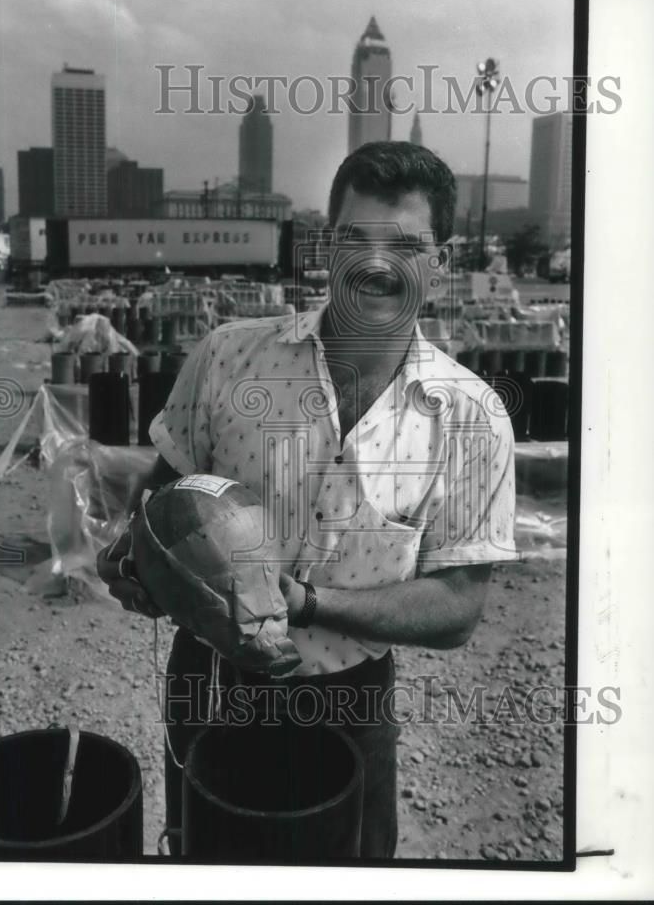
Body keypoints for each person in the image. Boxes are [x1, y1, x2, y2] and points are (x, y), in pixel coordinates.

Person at [98, 141, 517, 858]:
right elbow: (162, 497)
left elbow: (456, 607)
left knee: (349, 866)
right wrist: (137, 559)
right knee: (205, 861)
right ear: (327, 247)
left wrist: (309, 605)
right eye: (356, 238)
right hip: (211, 680)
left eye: (407, 245)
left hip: (349, 700)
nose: (376, 265)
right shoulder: (231, 356)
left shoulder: (471, 416)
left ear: (438, 264)